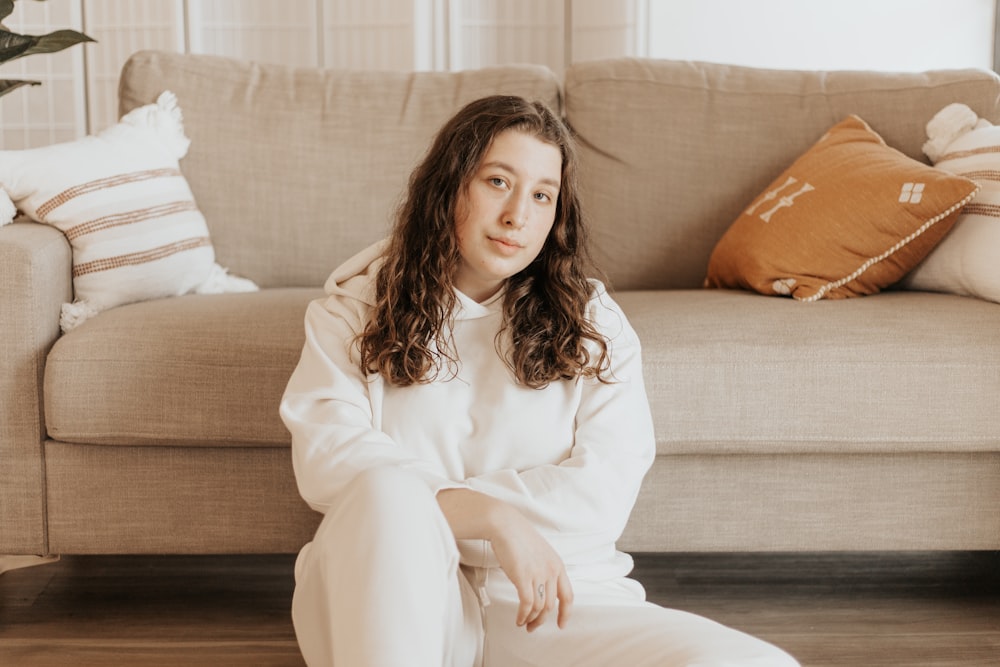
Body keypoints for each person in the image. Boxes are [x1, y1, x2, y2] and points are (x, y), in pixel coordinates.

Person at [279, 95, 799, 667]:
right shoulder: (349, 313)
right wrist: (492, 519)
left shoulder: (594, 325)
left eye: (542, 195)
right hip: (391, 605)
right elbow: (333, 463)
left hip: (553, 601)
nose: (517, 216)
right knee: (382, 491)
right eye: (498, 181)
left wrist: (472, 514)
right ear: (447, 186)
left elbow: (601, 494)